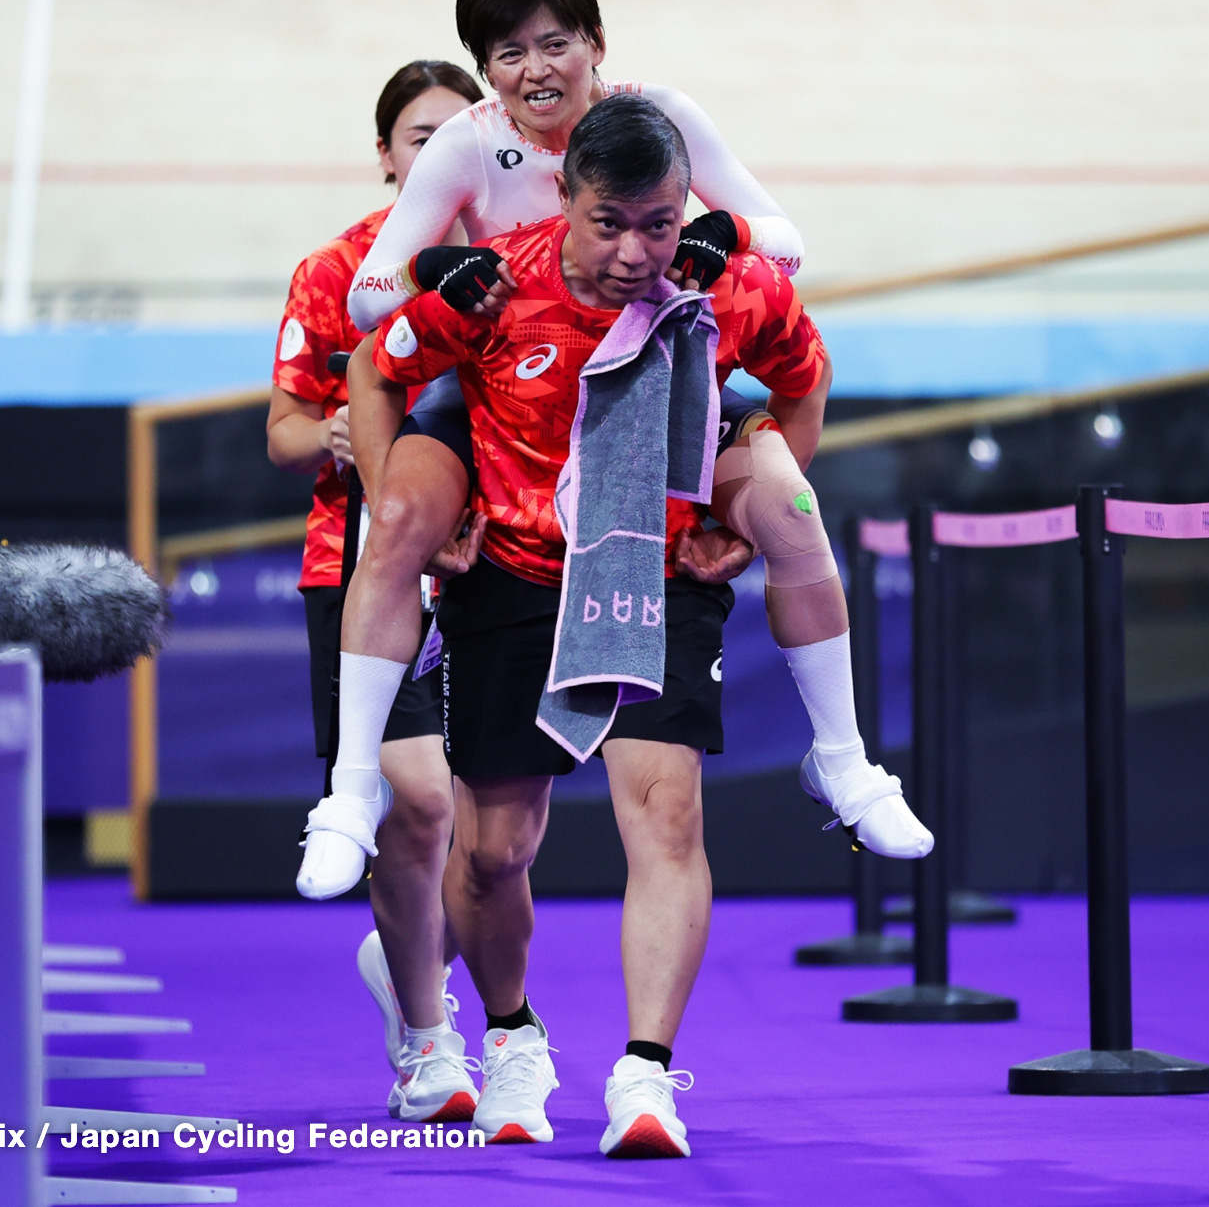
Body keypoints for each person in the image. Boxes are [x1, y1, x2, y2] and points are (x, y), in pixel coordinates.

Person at [302, 0, 928, 904]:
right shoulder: (471, 139)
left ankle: (842, 759)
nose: (534, 72)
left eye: (555, 44)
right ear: (485, 68)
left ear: (596, 43)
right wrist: (437, 269)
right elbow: (371, 298)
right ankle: (350, 793)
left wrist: (727, 232)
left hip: (657, 372)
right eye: (507, 55)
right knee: (391, 521)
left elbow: (787, 242)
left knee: (792, 508)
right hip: (509, 377)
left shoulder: (661, 117)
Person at [354, 92, 847, 1156]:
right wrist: (421, 504)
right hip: (517, 572)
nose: (635, 251)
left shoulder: (728, 284)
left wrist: (747, 517)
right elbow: (373, 369)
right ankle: (512, 1034)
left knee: (665, 815)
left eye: (659, 224)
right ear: (562, 199)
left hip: (657, 566)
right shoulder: (495, 283)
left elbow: (808, 383)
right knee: (492, 850)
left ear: (685, 212)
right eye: (609, 223)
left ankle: (647, 1072)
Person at [265, 59, 489, 1124]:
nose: (430, 150)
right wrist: (341, 434)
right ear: (389, 152)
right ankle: (432, 1038)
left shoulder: (517, 258)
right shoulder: (335, 270)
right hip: (360, 566)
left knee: (482, 825)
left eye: (452, 131)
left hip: (498, 564)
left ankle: (405, 974)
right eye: (414, 134)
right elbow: (283, 431)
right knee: (422, 799)